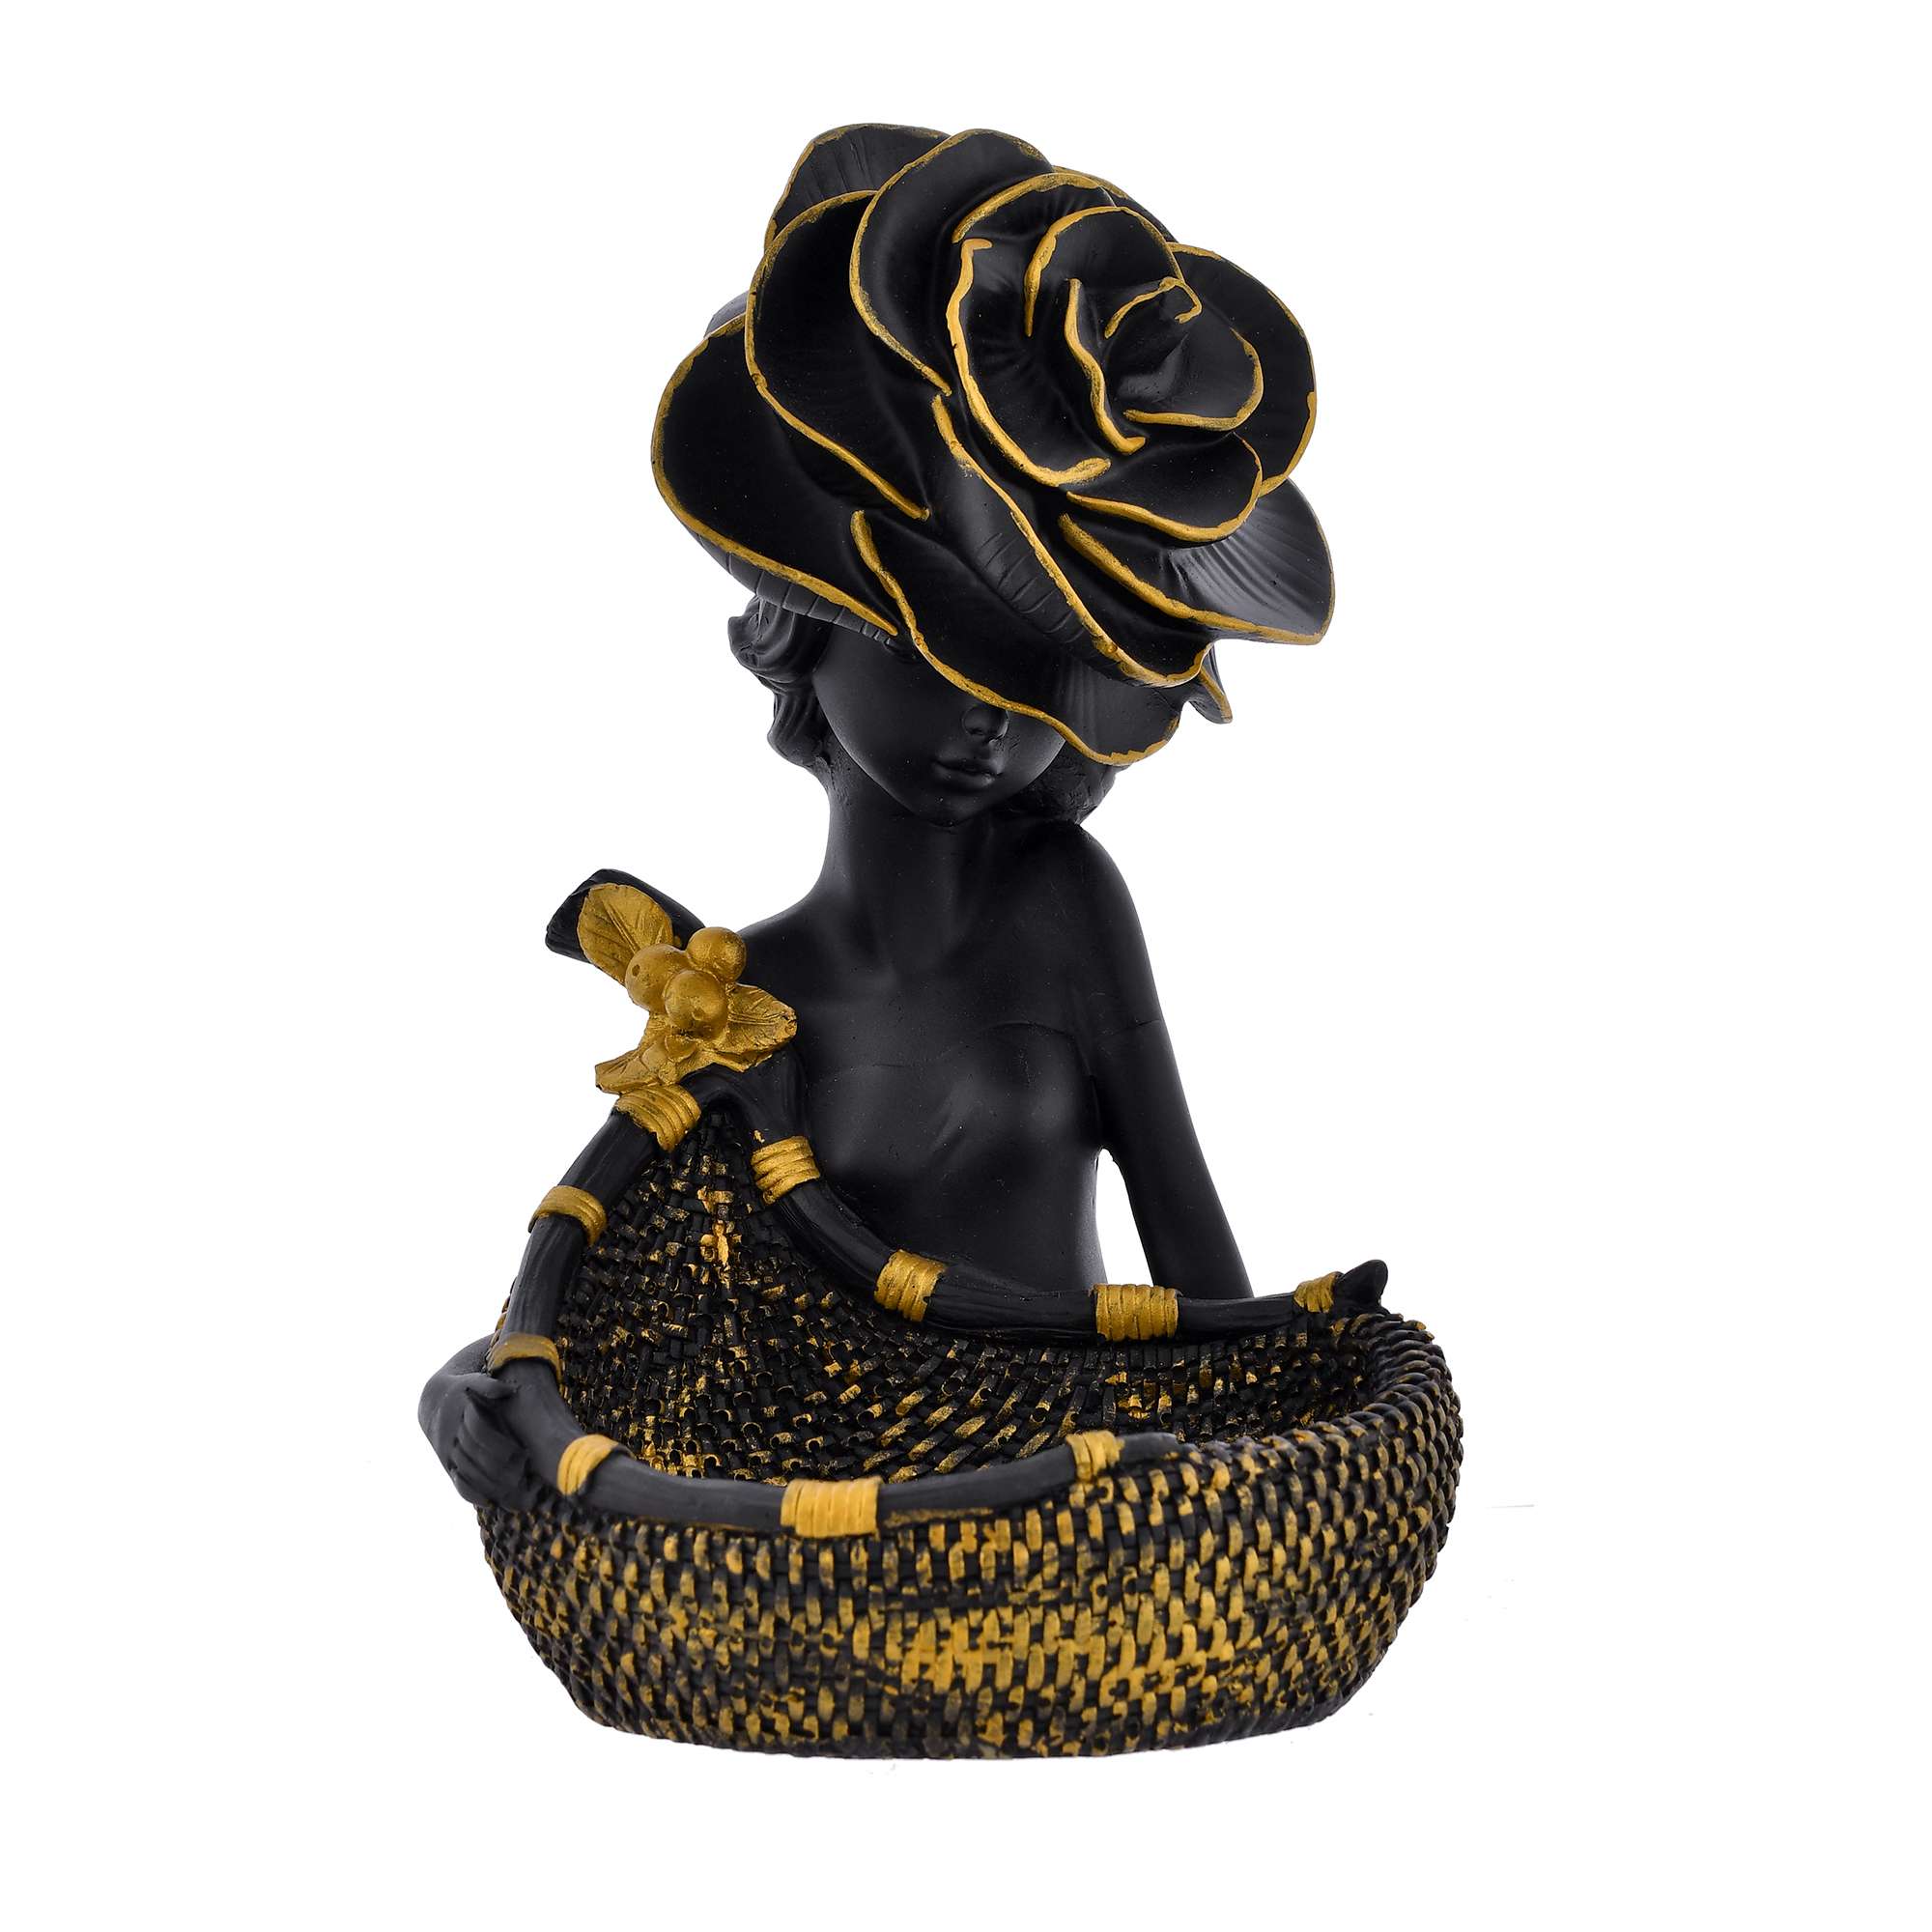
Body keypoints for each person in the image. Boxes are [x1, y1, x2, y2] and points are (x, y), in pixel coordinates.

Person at [425, 124, 1335, 1508]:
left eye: (1034, 673)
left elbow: (1195, 1257)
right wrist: (464, 1383)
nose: (988, 721)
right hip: (823, 1533)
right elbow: (611, 1309)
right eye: (940, 650)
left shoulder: (1063, 904)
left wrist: (1258, 1455)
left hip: (1083, 1511)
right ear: (811, 625)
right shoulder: (734, 994)